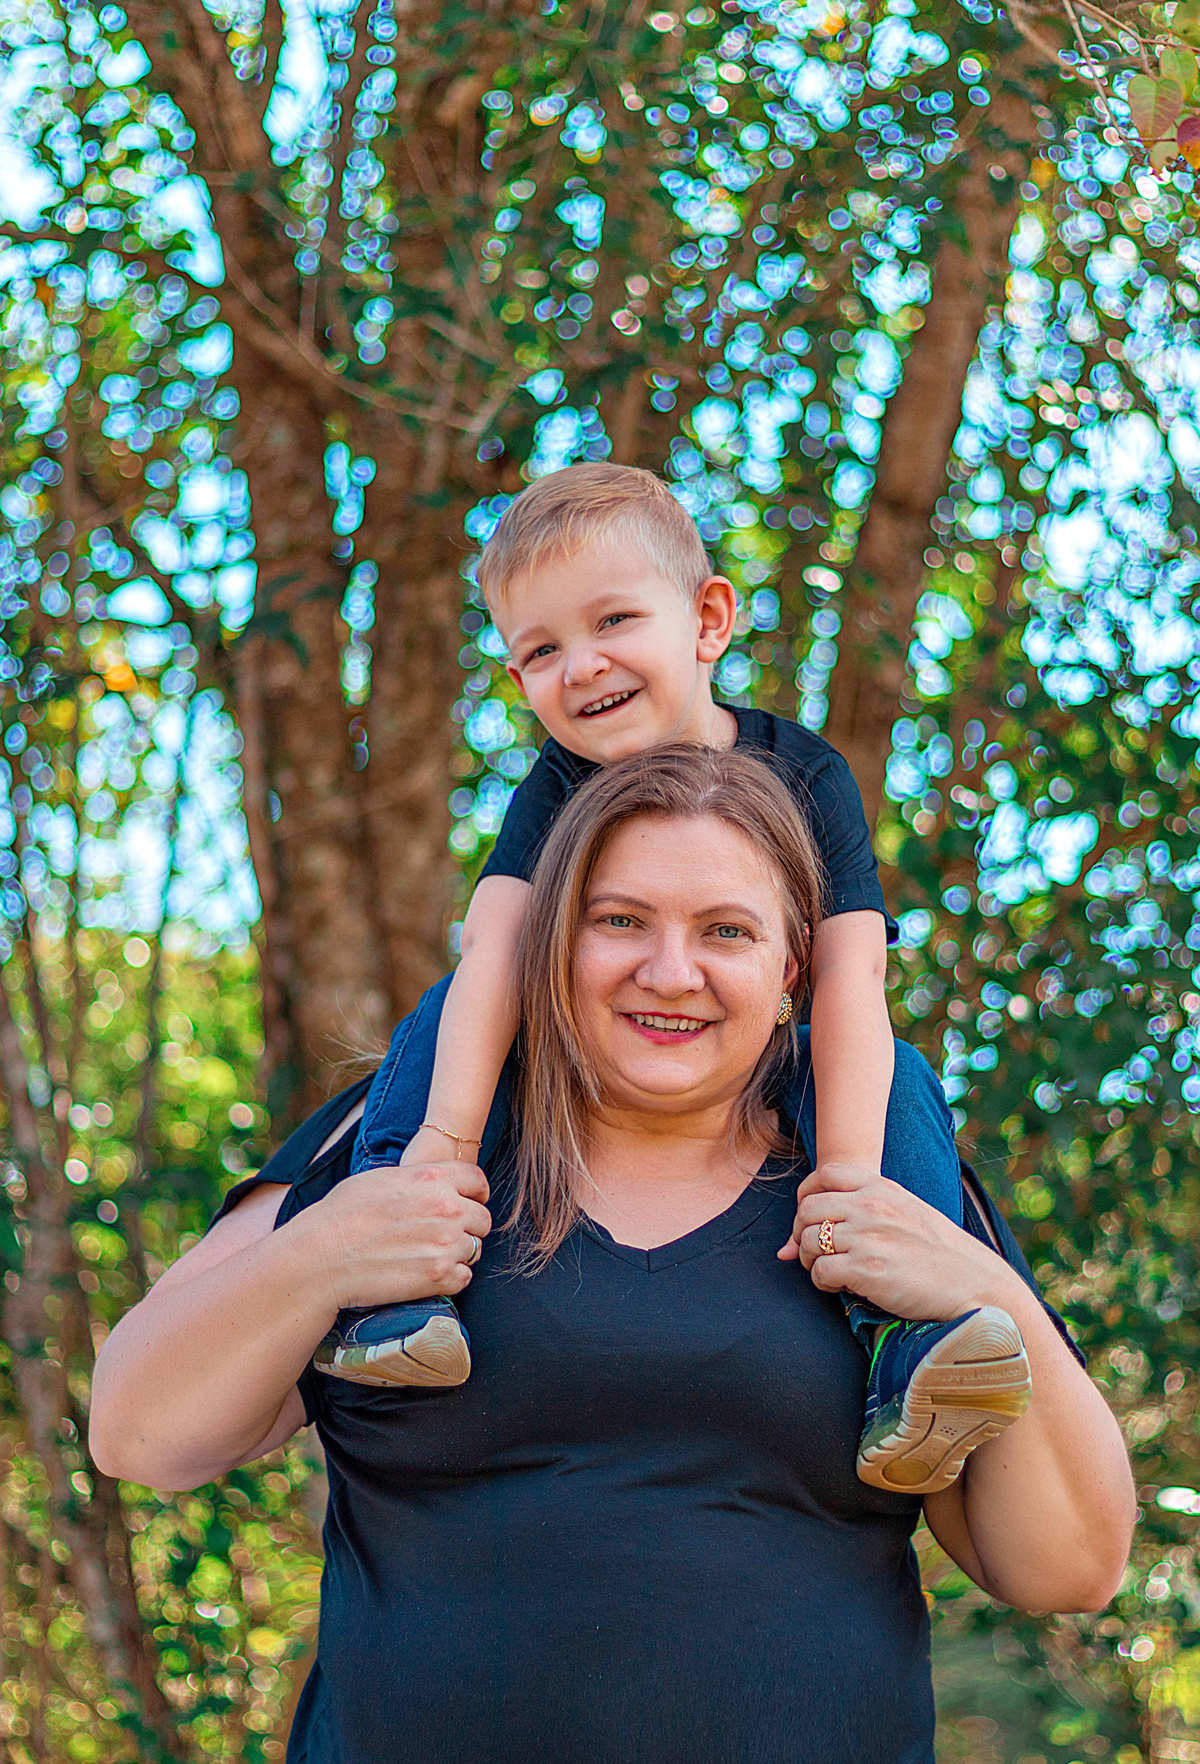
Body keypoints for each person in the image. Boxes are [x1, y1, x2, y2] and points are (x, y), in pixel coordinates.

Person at [89, 747, 1135, 1764]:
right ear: (548, 943)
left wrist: (985, 1285)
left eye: (725, 930)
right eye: (619, 921)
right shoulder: (406, 1144)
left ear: (792, 967)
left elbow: (1069, 1566)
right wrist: (322, 1252)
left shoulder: (880, 1189)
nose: (669, 971)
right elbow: (141, 1436)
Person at [321, 462, 992, 1495]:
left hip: (753, 1065)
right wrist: (443, 1158)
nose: (581, 667)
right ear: (518, 682)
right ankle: (393, 1284)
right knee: (446, 1012)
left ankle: (905, 1337)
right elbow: (495, 953)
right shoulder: (553, 791)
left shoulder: (803, 772)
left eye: (612, 622)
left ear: (708, 618)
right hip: (579, 1060)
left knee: (893, 1072)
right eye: (541, 650)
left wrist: (851, 1184)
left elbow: (850, 981)